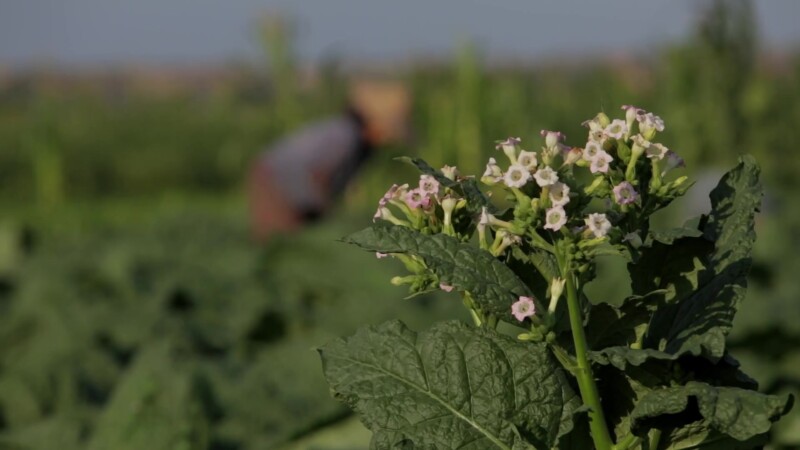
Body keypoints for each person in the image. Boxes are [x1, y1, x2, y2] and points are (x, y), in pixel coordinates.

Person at [248, 79, 410, 241]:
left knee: (290, 246)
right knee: (280, 243)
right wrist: (326, 211)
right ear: (374, 125)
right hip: (274, 181)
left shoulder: (347, 133)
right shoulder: (346, 136)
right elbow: (320, 174)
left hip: (282, 180)